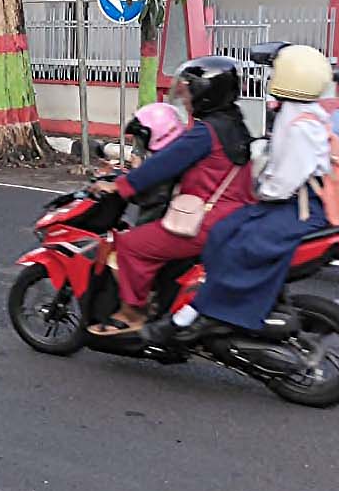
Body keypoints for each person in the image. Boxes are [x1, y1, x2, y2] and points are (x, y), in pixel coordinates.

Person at [152, 45, 335, 341]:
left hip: (300, 207)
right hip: (292, 201)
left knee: (242, 246)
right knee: (223, 231)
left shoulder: (299, 123)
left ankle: (210, 314)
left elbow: (285, 181)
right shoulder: (298, 111)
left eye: (277, 72)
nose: (272, 78)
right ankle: (208, 303)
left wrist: (262, 190)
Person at [86, 57, 255, 335]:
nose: (184, 97)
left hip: (207, 221)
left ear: (205, 93)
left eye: (188, 91)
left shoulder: (205, 132)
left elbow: (163, 164)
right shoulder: (234, 123)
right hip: (235, 215)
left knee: (132, 245)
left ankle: (132, 314)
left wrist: (120, 186)